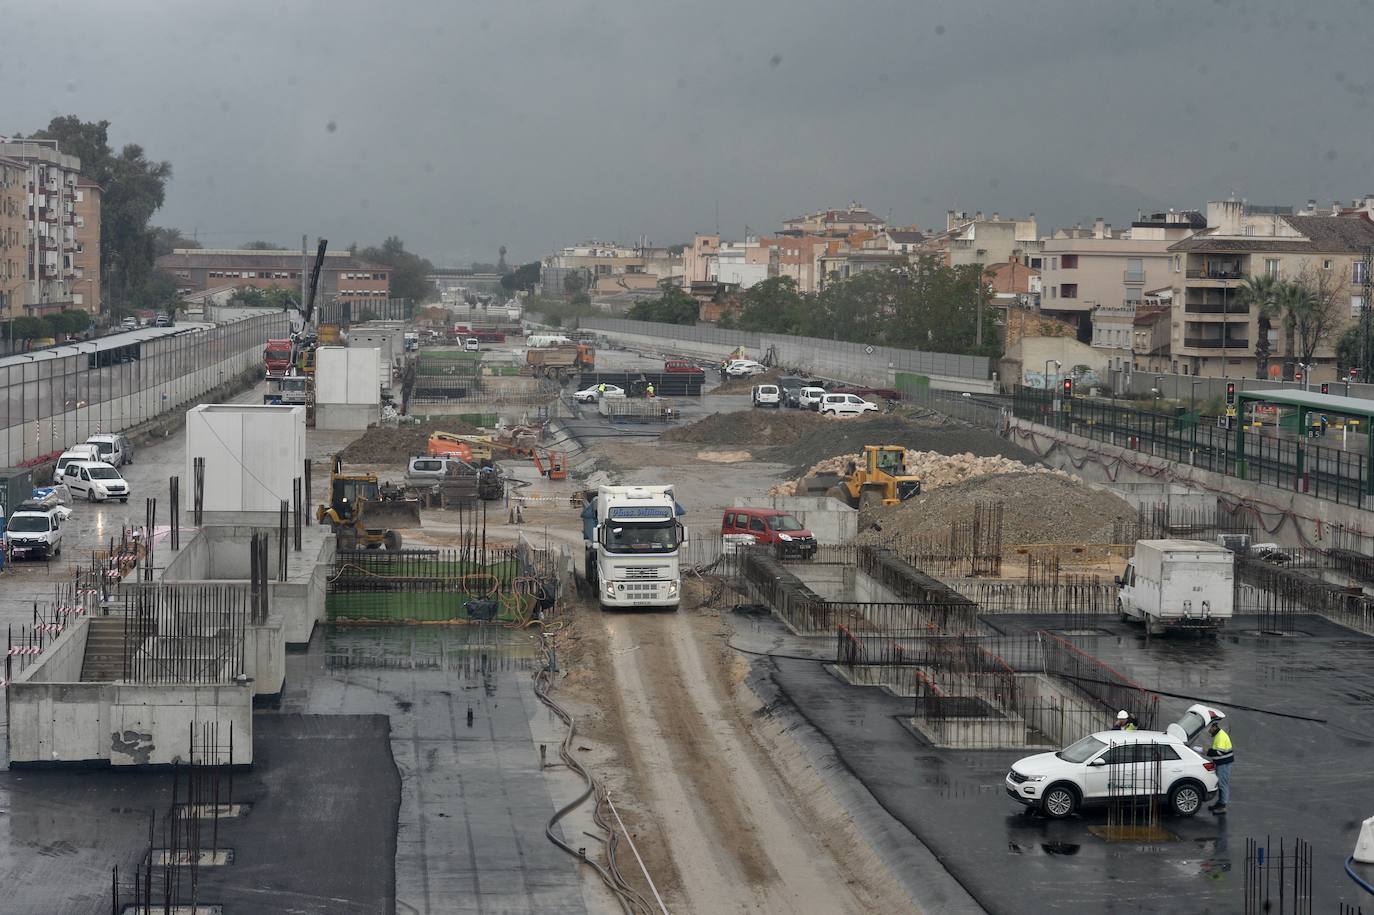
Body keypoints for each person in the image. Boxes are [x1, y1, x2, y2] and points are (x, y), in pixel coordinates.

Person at [1206, 720, 1234, 814]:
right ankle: (1220, 803)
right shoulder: (1218, 735)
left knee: (1223, 784)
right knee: (1221, 784)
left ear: (1214, 727)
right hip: (1222, 763)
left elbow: (1219, 753)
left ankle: (1222, 806)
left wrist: (1204, 751)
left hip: (1224, 764)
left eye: (1209, 729)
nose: (1209, 731)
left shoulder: (1220, 736)